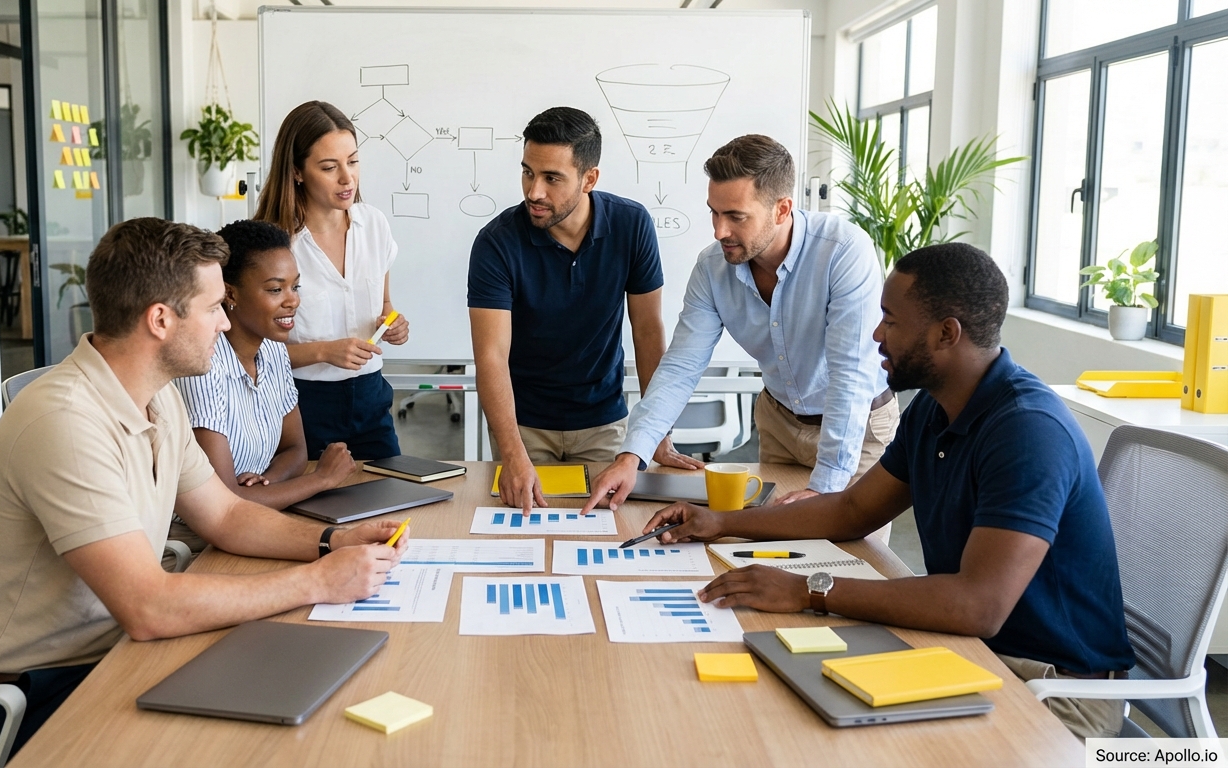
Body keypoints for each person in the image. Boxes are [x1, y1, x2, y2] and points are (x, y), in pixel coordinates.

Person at [0, 218, 408, 768]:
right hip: (20, 704)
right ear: (161, 319)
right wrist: (318, 581)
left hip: (109, 657)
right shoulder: (64, 421)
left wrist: (334, 540)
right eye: (213, 308)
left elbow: (226, 514)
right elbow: (148, 607)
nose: (224, 321)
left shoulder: (156, 399)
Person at [638, 243, 1135, 740]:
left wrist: (808, 591)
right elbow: (853, 510)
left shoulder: (1027, 431)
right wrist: (721, 523)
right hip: (975, 653)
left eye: (891, 321)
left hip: (1055, 691)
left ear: (947, 333)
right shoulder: (937, 408)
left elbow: (978, 606)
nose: (876, 335)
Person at [585, 134, 896, 514]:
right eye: (714, 212)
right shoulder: (712, 268)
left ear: (782, 209)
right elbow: (681, 366)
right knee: (773, 552)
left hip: (857, 430)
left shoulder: (843, 252)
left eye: (736, 216)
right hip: (779, 424)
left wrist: (826, 484)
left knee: (850, 559)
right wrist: (632, 456)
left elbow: (850, 375)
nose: (719, 231)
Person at [469, 106, 668, 512]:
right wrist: (513, 454)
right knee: (523, 542)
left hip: (604, 423)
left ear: (589, 178)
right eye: (528, 172)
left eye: (552, 178)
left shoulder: (632, 225)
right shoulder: (496, 243)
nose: (534, 191)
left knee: (607, 535)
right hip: (522, 427)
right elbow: (490, 356)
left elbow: (647, 331)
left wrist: (655, 431)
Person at [170, 219, 357, 540]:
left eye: (294, 286)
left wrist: (266, 483)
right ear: (230, 293)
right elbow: (225, 501)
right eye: (275, 289)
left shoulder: (273, 348)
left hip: (257, 512)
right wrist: (321, 479)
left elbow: (295, 449)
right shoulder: (202, 367)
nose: (292, 300)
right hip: (199, 539)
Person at [255, 100, 408, 461]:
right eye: (329, 167)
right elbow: (251, 353)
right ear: (297, 172)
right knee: (313, 513)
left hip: (371, 399)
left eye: (353, 161)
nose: (347, 178)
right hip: (302, 406)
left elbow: (384, 306)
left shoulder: (374, 224)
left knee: (392, 500)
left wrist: (394, 323)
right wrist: (324, 351)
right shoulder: (273, 245)